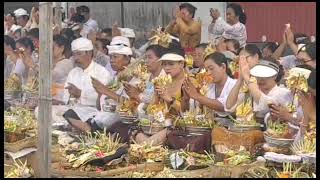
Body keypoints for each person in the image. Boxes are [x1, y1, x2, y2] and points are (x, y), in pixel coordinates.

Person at [61, 37, 113, 131]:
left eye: (79, 54)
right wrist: (70, 96)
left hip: (93, 111)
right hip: (72, 109)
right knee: (46, 111)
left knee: (72, 114)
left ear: (89, 53)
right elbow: (65, 98)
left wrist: (81, 94)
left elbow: (104, 100)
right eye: (74, 54)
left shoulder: (101, 73)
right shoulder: (73, 72)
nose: (76, 58)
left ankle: (85, 129)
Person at [182, 52, 237, 117]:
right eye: (206, 70)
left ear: (223, 67)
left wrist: (197, 96)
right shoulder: (207, 86)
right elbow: (191, 111)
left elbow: (226, 106)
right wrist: (186, 99)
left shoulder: (235, 84)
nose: (208, 73)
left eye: (211, 68)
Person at [52, 35, 74, 102]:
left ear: (61, 48)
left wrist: (33, 66)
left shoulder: (66, 63)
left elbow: (50, 76)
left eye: (52, 48)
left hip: (60, 101)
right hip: (50, 99)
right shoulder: (48, 62)